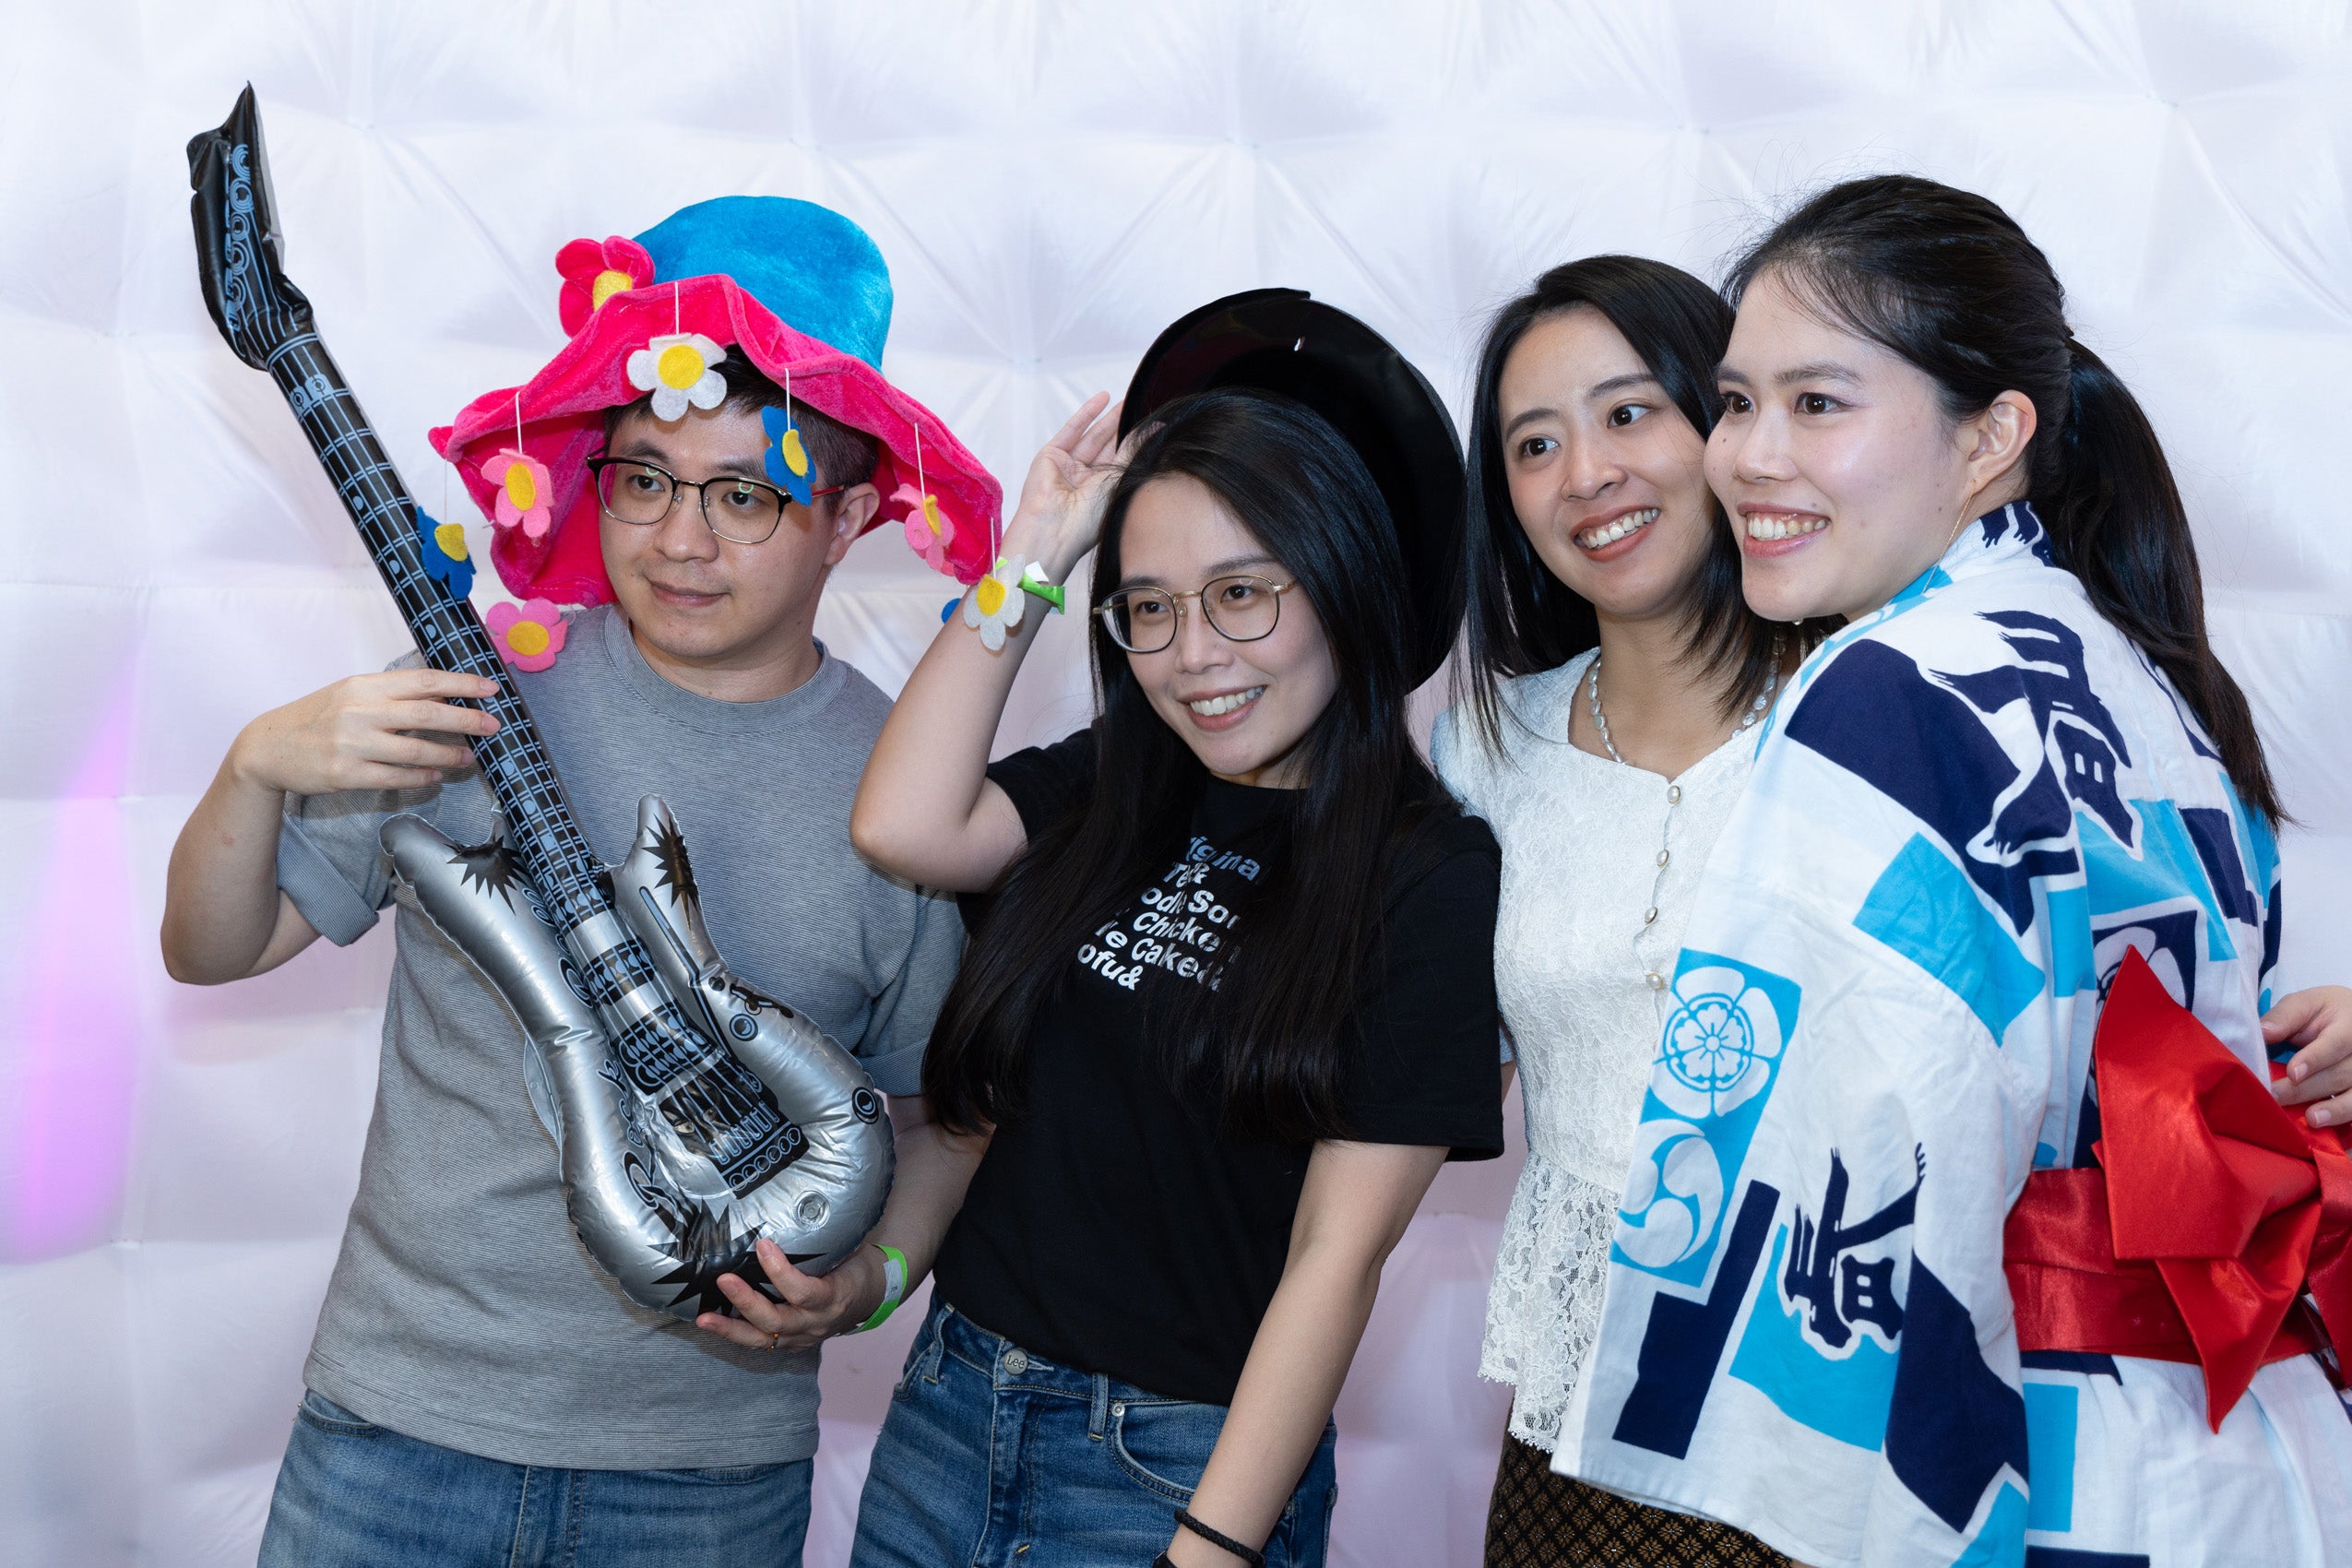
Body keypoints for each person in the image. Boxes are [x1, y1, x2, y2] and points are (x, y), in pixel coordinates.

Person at [160, 196, 992, 1568]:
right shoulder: (478, 689)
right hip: (396, 1435)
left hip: (708, 1481)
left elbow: (941, 1114)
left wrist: (865, 1282)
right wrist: (252, 769)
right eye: (646, 479)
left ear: (848, 516)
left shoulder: (906, 781)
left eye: (748, 493)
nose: (680, 540)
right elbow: (213, 948)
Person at [1558, 174, 2352, 1566]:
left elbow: (1877, 1155)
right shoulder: (2131, 671)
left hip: (2050, 1455)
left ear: (1990, 435)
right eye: (1735, 403)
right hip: (2245, 1441)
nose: (1746, 456)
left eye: (1817, 403)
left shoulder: (1886, 692)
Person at [792, 292, 1503, 1568]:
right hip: (951, 1410)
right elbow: (904, 825)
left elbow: (1333, 1264)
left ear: (1346, 582)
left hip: (1167, 1467)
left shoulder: (1428, 875)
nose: (1192, 655)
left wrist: (1212, 1548)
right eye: (1150, 608)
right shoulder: (1122, 774)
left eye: (1242, 593)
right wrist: (1041, 550)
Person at [1430, 255, 1823, 1568]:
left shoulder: (1869, 711)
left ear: (1725, 422)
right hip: (1585, 1413)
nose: (1585, 473)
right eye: (1533, 442)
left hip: (1839, 1386)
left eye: (1626, 413)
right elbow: (1423, 1082)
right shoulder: (1483, 749)